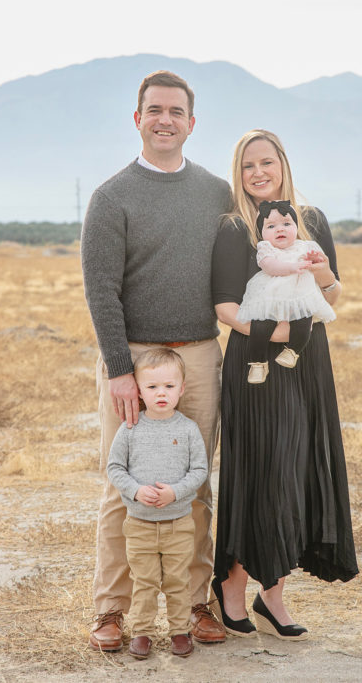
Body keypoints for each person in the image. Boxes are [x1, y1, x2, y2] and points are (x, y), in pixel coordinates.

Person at [81, 70, 230, 652]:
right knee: (125, 486)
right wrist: (120, 369)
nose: (165, 119)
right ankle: (113, 611)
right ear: (137, 119)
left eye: (176, 111)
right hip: (136, 362)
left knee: (196, 485)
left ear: (191, 124)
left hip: (199, 357)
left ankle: (195, 605)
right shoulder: (111, 196)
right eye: (154, 110)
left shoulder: (217, 193)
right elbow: (101, 290)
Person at [210, 129, 358, 640]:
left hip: (309, 364)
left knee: (295, 471)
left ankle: (271, 595)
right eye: (248, 164)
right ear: (239, 171)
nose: (258, 172)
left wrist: (321, 274)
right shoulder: (234, 226)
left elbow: (335, 294)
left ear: (283, 164)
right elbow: (225, 306)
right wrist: (284, 332)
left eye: (266, 162)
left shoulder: (311, 220)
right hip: (255, 366)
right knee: (256, 471)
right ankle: (230, 586)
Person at [106, 348, 208, 659]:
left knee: (178, 580)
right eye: (151, 387)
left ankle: (179, 630)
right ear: (138, 390)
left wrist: (175, 492)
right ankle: (142, 632)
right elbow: (114, 468)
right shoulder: (129, 429)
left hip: (179, 523)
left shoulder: (188, 429)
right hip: (139, 524)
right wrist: (136, 491)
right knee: (145, 581)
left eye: (168, 386)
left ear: (182, 389)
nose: (161, 393)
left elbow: (200, 471)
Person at [235, 199, 336, 384]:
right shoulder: (265, 248)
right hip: (271, 296)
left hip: (299, 295)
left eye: (287, 223)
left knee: (304, 321)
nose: (280, 229)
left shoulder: (305, 246)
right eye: (271, 226)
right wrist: (292, 267)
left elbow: (321, 263)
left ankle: (292, 352)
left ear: (296, 227)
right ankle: (258, 362)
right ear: (262, 233)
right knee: (261, 325)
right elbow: (270, 266)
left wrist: (314, 260)